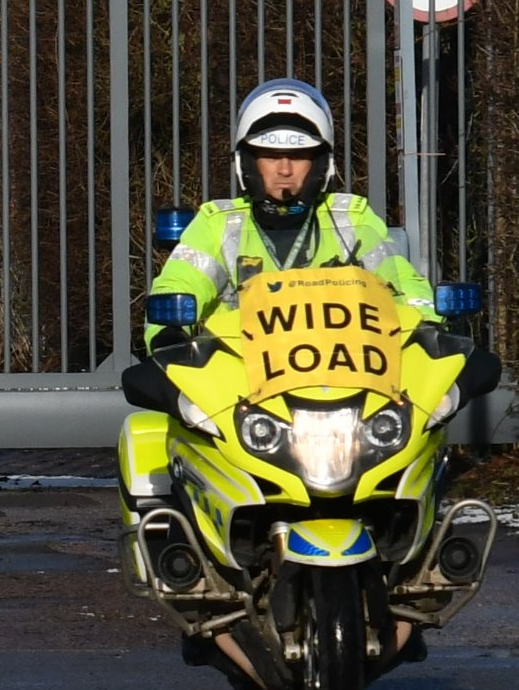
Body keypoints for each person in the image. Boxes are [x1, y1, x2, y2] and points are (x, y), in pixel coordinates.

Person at [120, 77, 435, 500]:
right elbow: (179, 287)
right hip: (242, 399)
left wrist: (433, 332)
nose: (284, 169)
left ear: (321, 163)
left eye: (299, 155)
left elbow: (405, 290)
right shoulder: (218, 224)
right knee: (162, 455)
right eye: (270, 155)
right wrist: (170, 337)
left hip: (347, 392)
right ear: (247, 162)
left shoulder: (353, 220)